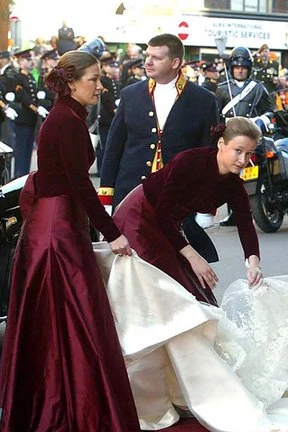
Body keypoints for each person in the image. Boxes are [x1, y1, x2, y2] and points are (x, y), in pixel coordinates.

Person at [0, 50, 139, 431]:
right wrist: (113, 234)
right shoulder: (67, 121)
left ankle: (59, 407)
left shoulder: (67, 116)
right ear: (72, 82)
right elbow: (80, 185)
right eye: (94, 79)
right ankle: (70, 411)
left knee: (59, 323)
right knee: (75, 321)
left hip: (53, 228)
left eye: (99, 78)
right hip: (57, 234)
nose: (100, 85)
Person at [113, 118, 262, 305]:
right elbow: (163, 213)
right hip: (140, 215)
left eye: (249, 154)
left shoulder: (234, 185)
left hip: (170, 224)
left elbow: (245, 223)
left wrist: (253, 264)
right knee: (163, 286)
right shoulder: (190, 161)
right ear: (221, 144)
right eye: (238, 151)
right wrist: (194, 257)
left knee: (194, 292)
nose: (243, 160)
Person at [99, 33, 219, 262]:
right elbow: (113, 149)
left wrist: (206, 206)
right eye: (147, 55)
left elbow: (208, 158)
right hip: (130, 196)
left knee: (173, 269)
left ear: (175, 63)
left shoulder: (203, 100)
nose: (148, 62)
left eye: (156, 57)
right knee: (131, 266)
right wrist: (107, 197)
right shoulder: (130, 94)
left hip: (179, 201)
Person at [215, 46, 273, 227]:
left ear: (249, 68)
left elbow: (270, 110)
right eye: (237, 67)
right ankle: (233, 212)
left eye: (244, 67)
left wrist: (262, 121)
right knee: (228, 175)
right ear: (231, 68)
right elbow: (216, 115)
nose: (240, 70)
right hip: (232, 137)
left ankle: (265, 201)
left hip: (253, 136)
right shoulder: (222, 89)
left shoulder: (258, 88)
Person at [8, 49, 48, 178]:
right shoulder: (17, 77)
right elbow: (23, 97)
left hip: (31, 118)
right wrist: (36, 108)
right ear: (20, 61)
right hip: (23, 117)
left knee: (28, 149)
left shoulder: (30, 77)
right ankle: (19, 175)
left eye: (30, 60)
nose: (30, 62)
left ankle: (25, 176)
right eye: (27, 60)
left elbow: (34, 95)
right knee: (21, 149)